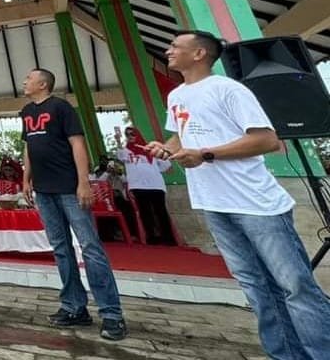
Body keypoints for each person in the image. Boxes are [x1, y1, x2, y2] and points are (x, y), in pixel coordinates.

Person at [145, 31, 330, 358]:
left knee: (296, 287)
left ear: (200, 53)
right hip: (213, 204)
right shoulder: (176, 97)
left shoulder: (229, 89)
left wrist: (205, 154)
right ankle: (285, 353)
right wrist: (165, 148)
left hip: (255, 205)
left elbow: (267, 140)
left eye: (176, 46)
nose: (168, 50)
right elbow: (180, 138)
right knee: (257, 288)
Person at [20, 68, 127, 341]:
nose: (25, 81)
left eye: (29, 78)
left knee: (90, 247)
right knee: (61, 248)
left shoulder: (62, 108)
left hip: (68, 187)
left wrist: (83, 182)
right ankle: (74, 307)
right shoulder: (26, 112)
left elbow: (78, 144)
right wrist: (26, 179)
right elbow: (28, 148)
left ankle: (111, 313)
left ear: (42, 84)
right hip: (43, 190)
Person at [115, 127, 175, 245]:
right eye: (128, 135)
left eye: (133, 134)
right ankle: (152, 237)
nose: (130, 137)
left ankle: (168, 238)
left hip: (156, 185)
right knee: (145, 212)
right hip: (138, 186)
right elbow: (120, 155)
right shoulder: (126, 151)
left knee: (161, 212)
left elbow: (166, 166)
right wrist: (118, 140)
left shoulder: (150, 149)